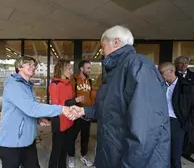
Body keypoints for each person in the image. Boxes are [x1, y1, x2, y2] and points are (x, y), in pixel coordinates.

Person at [69, 25, 171, 168]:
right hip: (113, 154)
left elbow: (147, 130)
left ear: (116, 42)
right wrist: (84, 111)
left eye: (103, 46)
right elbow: (112, 109)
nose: (102, 52)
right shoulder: (117, 70)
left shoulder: (138, 66)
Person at [0, 56, 73, 168]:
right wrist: (61, 109)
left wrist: (38, 119)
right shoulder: (14, 85)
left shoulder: (28, 86)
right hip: (12, 144)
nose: (33, 67)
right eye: (29, 64)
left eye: (34, 65)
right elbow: (32, 108)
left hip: (28, 141)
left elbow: (26, 109)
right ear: (19, 67)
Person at [48, 59, 84, 168]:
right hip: (59, 121)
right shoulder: (55, 84)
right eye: (68, 68)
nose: (71, 70)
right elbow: (57, 105)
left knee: (64, 149)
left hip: (69, 120)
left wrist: (75, 107)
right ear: (61, 69)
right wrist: (75, 101)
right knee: (57, 150)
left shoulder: (68, 84)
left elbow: (70, 100)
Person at [159, 62, 194, 168]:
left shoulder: (186, 86)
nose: (160, 75)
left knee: (175, 156)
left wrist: (187, 125)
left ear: (171, 71)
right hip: (161, 122)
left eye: (161, 73)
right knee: (161, 155)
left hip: (177, 123)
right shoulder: (160, 85)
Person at [67, 60, 94, 167]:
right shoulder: (74, 80)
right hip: (76, 113)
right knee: (72, 137)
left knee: (85, 137)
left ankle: (84, 155)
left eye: (90, 68)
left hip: (87, 113)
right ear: (81, 69)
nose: (89, 70)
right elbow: (69, 97)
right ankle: (71, 156)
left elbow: (91, 96)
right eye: (88, 68)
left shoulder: (89, 81)